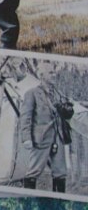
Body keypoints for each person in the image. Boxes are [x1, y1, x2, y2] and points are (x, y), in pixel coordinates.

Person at [17, 63, 68, 191]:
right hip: (40, 138)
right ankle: (28, 199)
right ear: (41, 75)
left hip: (58, 138)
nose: (54, 75)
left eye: (54, 72)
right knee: (33, 172)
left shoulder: (58, 93)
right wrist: (26, 138)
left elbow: (64, 114)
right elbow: (25, 117)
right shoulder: (32, 93)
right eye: (51, 72)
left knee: (60, 173)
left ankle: (59, 201)